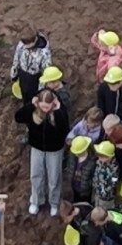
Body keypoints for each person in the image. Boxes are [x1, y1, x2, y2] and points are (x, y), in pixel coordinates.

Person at [25, 85, 69, 215]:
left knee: (54, 176)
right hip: (37, 147)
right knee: (35, 174)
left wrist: (57, 113)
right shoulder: (35, 109)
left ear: (53, 103)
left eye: (47, 107)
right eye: (42, 106)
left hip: (54, 149)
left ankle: (54, 202)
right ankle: (36, 200)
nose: (44, 109)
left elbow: (64, 129)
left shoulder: (60, 111)